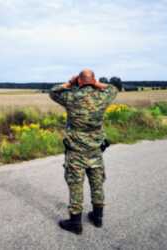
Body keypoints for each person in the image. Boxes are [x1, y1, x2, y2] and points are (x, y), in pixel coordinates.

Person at [49, 69, 118, 235]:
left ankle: (75, 223)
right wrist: (95, 83)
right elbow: (113, 89)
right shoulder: (103, 96)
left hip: (76, 152)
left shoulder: (71, 97)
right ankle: (98, 217)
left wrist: (70, 83)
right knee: (97, 183)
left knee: (76, 185)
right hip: (95, 151)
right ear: (93, 80)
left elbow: (53, 92)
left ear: (79, 81)